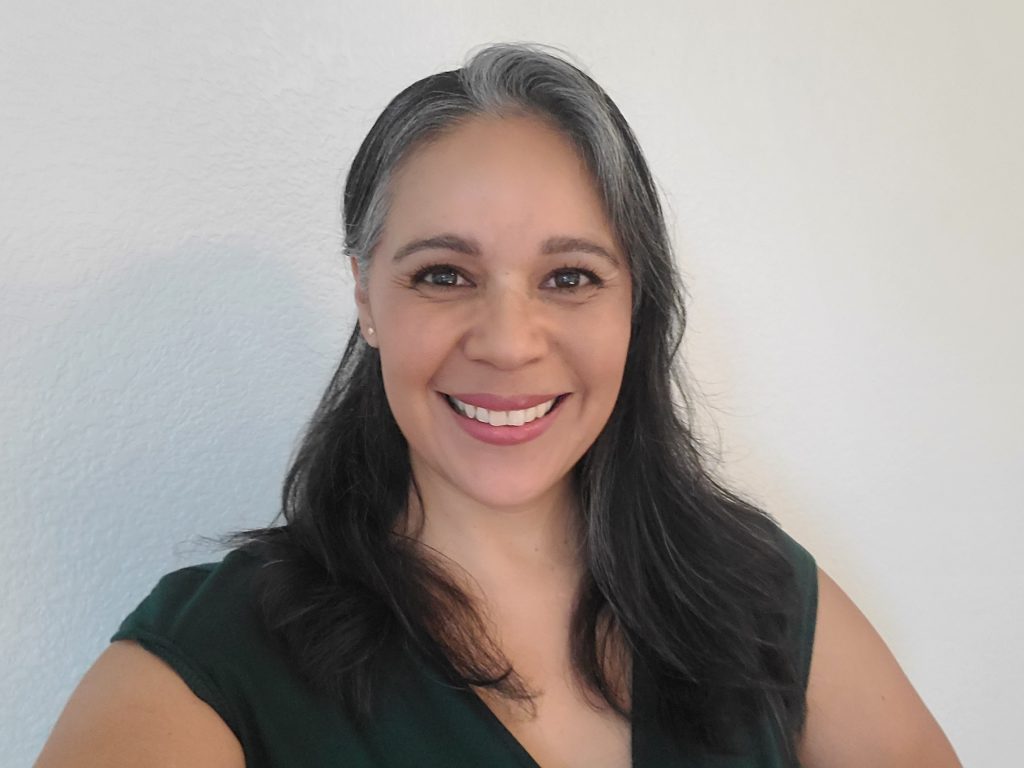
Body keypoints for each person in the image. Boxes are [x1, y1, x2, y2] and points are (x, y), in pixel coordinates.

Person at [37, 43, 961, 767]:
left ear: (634, 302)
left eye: (569, 277)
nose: (508, 341)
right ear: (366, 299)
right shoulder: (220, 652)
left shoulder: (763, 594)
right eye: (443, 274)